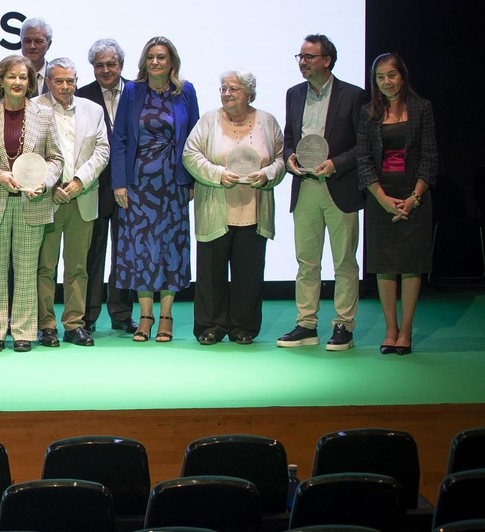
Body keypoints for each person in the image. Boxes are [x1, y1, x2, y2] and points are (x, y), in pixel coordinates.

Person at [0, 56, 64, 352]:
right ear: (1, 81)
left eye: (23, 77)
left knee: (26, 271)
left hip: (32, 203)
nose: (17, 82)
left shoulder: (44, 115)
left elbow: (56, 159)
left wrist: (44, 182)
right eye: (11, 76)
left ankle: (23, 332)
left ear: (30, 82)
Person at [182, 70, 286, 344]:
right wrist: (218, 174)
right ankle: (210, 326)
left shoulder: (267, 121)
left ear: (249, 94)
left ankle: (244, 327)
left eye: (233, 89)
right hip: (215, 210)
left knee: (249, 274)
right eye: (223, 88)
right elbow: (190, 155)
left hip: (253, 211)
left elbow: (281, 159)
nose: (226, 94)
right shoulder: (208, 120)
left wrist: (267, 174)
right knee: (211, 273)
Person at [279, 34, 367, 351]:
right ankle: (306, 325)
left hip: (339, 186)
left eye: (309, 57)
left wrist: (336, 164)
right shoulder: (294, 94)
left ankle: (344, 325)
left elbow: (363, 145)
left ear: (327, 60)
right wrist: (289, 157)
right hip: (305, 186)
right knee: (306, 261)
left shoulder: (353, 96)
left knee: (344, 261)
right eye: (300, 57)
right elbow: (290, 138)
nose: (303, 62)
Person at [111, 36, 200, 343]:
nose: (155, 62)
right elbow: (120, 138)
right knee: (140, 249)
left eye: (161, 57)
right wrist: (119, 183)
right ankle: (146, 316)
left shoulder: (186, 91)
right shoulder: (132, 91)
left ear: (171, 61)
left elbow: (194, 138)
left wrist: (191, 180)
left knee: (171, 248)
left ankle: (166, 316)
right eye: (150, 57)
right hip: (138, 185)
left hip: (174, 183)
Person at [357, 54, 437, 355]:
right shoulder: (368, 112)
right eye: (380, 77)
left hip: (414, 194)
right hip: (381, 196)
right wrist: (381, 197)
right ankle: (390, 330)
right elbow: (363, 159)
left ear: (402, 76)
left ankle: (406, 330)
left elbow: (429, 157)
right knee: (385, 265)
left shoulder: (421, 108)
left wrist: (414, 198)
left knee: (412, 265)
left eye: (391, 75)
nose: (386, 82)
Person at [36, 58, 110, 346]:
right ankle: (46, 325)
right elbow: (29, 154)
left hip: (83, 196)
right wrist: (50, 185)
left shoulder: (93, 110)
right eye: (59, 81)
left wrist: (79, 181)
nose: (65, 86)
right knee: (44, 267)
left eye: (70, 81)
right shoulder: (34, 107)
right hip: (47, 198)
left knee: (78, 267)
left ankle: (74, 324)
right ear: (48, 82)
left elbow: (102, 151)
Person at [77, 38, 135, 334]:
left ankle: (122, 313)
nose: (105, 70)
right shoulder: (81, 95)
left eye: (111, 64)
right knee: (92, 253)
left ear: (121, 65)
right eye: (99, 65)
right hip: (94, 187)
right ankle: (87, 315)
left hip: (130, 186)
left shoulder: (137, 92)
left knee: (125, 253)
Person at [20, 16, 54, 82]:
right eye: (27, 41)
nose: (32, 46)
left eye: (38, 41)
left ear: (49, 44)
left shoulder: (58, 76)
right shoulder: (7, 75)